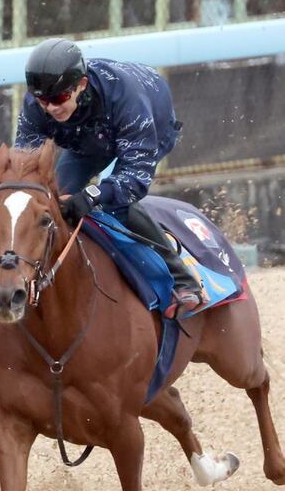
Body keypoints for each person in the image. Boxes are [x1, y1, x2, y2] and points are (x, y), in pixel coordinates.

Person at [15, 37, 203, 319]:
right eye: (44, 101)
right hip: (87, 140)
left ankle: (182, 278)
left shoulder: (128, 98)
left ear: (81, 84)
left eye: (59, 98)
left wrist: (94, 195)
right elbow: (26, 171)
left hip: (146, 125)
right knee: (55, 204)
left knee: (116, 204)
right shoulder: (35, 104)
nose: (51, 108)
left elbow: (134, 180)